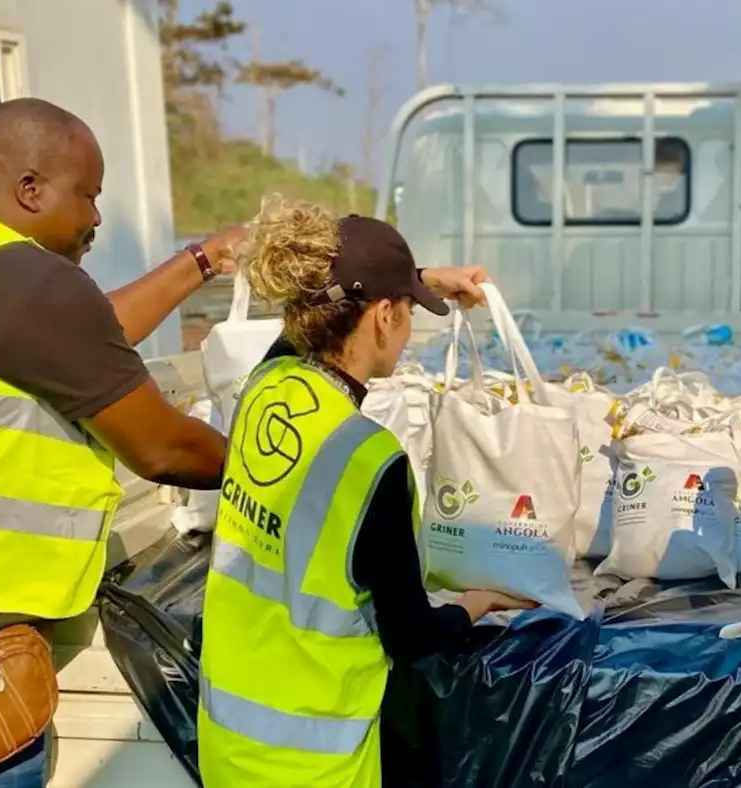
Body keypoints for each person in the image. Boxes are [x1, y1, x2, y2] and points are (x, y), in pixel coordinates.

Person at [0, 98, 237, 787]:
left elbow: (88, 334)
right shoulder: (19, 283)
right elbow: (163, 449)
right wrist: (285, 465)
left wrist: (202, 259)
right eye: (89, 195)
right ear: (30, 189)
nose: (97, 217)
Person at [198, 197, 533, 788]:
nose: (408, 328)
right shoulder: (369, 460)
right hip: (315, 762)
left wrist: (415, 280)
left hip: (228, 740)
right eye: (407, 310)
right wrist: (473, 606)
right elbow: (409, 636)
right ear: (384, 315)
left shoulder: (264, 387)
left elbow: (324, 310)